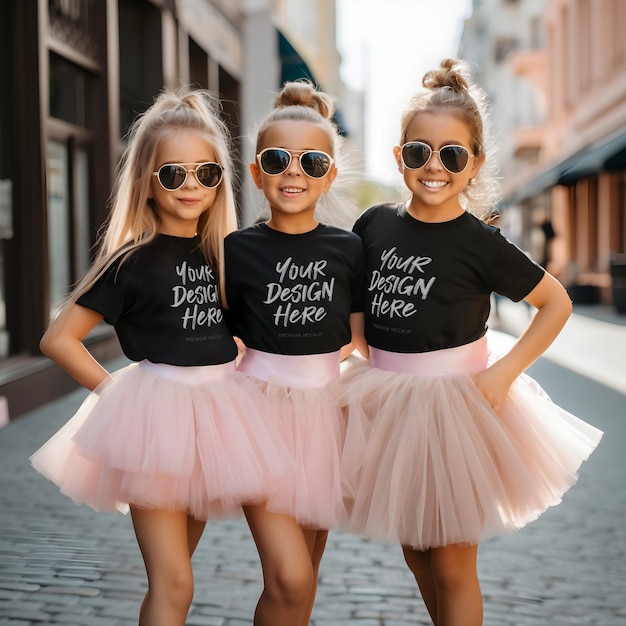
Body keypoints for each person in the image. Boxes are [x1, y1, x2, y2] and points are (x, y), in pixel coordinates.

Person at [339, 58, 603, 626]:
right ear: (399, 157)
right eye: (418, 153)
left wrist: (503, 374)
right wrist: (357, 342)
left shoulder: (480, 242)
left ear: (474, 162)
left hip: (456, 404)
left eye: (451, 155)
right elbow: (357, 294)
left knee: (454, 560)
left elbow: (555, 302)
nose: (433, 167)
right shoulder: (374, 225)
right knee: (415, 548)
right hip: (387, 400)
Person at [30, 88, 291, 626]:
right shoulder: (130, 261)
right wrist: (122, 398)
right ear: (147, 181)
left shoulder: (225, 254)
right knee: (173, 582)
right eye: (174, 174)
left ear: (221, 180)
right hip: (158, 423)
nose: (191, 186)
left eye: (206, 173)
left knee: (182, 576)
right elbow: (58, 339)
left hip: (222, 418)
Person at [223, 80, 366, 626]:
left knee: (304, 574)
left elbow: (359, 338)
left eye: (312, 162)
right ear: (257, 171)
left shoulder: (348, 248)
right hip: (259, 413)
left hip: (327, 416)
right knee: (289, 575)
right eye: (278, 159)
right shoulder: (235, 249)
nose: (294, 172)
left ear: (329, 174)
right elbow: (215, 331)